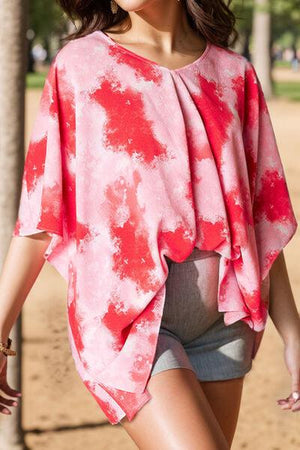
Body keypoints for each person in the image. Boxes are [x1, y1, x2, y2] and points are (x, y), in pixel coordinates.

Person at [0, 0, 299, 448]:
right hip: (130, 327)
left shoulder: (234, 74)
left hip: (224, 327)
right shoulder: (80, 67)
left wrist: (293, 334)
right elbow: (42, 214)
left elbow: (257, 218)